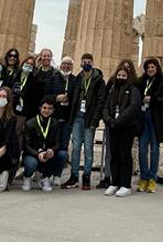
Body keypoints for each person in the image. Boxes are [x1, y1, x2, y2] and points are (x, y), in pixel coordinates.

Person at [62, 53, 106, 190]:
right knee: (75, 148)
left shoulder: (99, 80)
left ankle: (86, 176)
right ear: (81, 63)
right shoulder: (77, 78)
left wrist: (95, 119)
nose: (86, 63)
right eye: (84, 61)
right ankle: (73, 176)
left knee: (88, 148)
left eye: (89, 61)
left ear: (92, 63)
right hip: (77, 117)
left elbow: (100, 101)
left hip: (89, 118)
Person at [102, 61, 142, 197]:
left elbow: (133, 107)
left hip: (127, 127)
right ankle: (115, 182)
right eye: (119, 74)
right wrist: (108, 120)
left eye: (124, 75)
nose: (121, 77)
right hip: (113, 126)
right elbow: (106, 106)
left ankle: (125, 185)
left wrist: (118, 121)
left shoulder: (133, 90)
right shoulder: (113, 89)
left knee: (124, 155)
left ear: (128, 77)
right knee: (114, 155)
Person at [136, 58, 163, 193]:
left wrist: (153, 99)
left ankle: (152, 179)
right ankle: (143, 177)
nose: (150, 69)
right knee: (142, 149)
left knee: (155, 149)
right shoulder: (141, 81)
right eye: (148, 67)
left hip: (156, 118)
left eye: (153, 67)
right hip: (143, 118)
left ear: (157, 68)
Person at [21, 97, 67, 192]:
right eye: (44, 108)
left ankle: (45, 177)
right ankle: (27, 177)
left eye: (49, 108)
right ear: (40, 108)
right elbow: (26, 145)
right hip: (33, 154)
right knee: (31, 163)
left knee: (63, 155)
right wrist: (38, 154)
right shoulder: (30, 123)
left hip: (48, 154)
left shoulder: (55, 124)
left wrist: (52, 150)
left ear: (53, 110)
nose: (46, 110)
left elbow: (57, 142)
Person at [49, 56, 76, 185]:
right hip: (53, 118)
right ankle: (47, 173)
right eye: (64, 64)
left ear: (72, 67)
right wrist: (56, 98)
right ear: (60, 65)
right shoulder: (53, 78)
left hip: (67, 119)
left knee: (63, 148)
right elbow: (46, 95)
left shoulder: (75, 80)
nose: (66, 66)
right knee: (50, 146)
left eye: (68, 64)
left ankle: (57, 175)